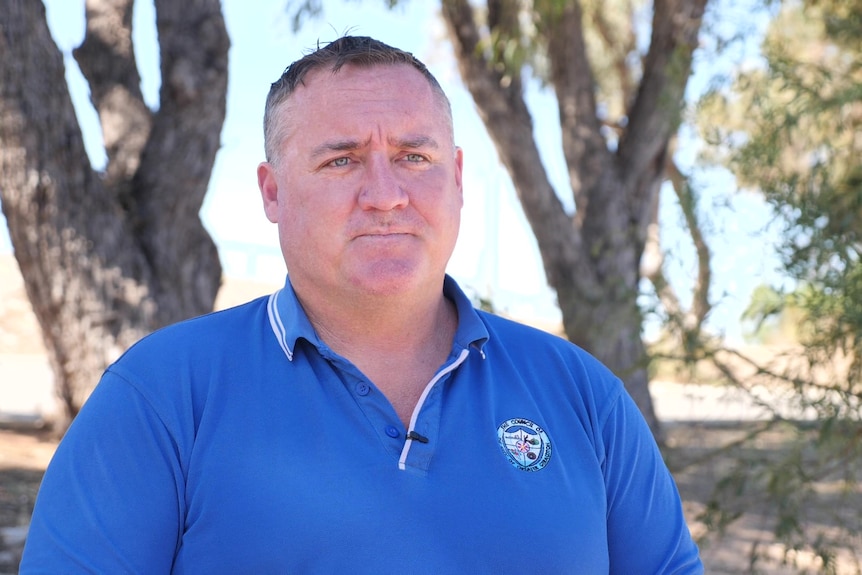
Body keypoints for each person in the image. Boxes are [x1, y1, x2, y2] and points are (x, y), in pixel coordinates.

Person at [21, 36, 703, 573]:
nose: (384, 193)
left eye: (414, 156)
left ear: (458, 178)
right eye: (341, 160)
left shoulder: (584, 398)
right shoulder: (161, 397)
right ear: (272, 191)